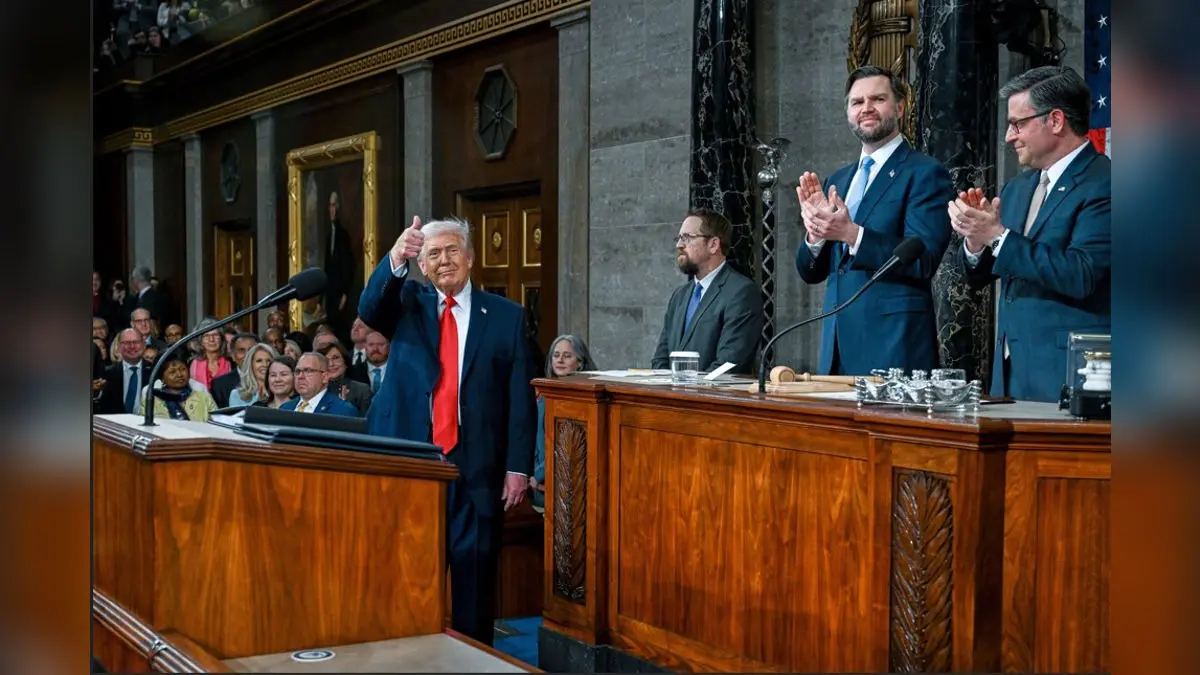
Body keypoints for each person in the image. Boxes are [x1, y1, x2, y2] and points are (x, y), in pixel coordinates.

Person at [358, 215, 536, 646]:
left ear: (471, 258)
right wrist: (396, 257)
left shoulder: (507, 317)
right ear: (422, 265)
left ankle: (474, 661)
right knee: (410, 579)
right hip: (416, 464)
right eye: (433, 254)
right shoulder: (407, 304)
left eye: (452, 250)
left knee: (475, 585)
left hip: (476, 469)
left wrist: (517, 467)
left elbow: (519, 400)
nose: (443, 261)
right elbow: (369, 309)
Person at [950, 66, 1110, 402]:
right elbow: (984, 274)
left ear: (1055, 121)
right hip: (1009, 372)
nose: (1009, 136)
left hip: (1067, 373)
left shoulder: (1106, 182)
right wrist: (976, 242)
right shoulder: (1016, 189)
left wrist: (998, 236)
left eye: (1018, 124)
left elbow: (1082, 273)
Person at [794, 65, 954, 375]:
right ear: (848, 112)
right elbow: (810, 271)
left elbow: (922, 260)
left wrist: (853, 234)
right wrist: (815, 235)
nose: (866, 108)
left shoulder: (924, 173)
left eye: (878, 99)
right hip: (836, 347)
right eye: (857, 102)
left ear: (900, 107)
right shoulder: (837, 179)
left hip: (893, 347)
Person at [651, 209, 763, 374]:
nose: (679, 245)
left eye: (687, 238)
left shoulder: (741, 292)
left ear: (713, 245)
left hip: (712, 397)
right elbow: (661, 359)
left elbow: (729, 364)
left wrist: (687, 391)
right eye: (679, 238)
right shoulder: (679, 295)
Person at [531, 335, 596, 511]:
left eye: (567, 356)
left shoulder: (581, 398)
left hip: (565, 484)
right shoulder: (545, 393)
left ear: (580, 362)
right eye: (556, 355)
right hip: (538, 485)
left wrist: (538, 475)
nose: (560, 360)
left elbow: (564, 445)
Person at [137, 354, 217, 422]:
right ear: (162, 378)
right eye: (172, 372)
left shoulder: (204, 398)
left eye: (183, 369)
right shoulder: (151, 402)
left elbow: (219, 425)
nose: (179, 375)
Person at [279, 352, 360, 416]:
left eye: (308, 371)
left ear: (324, 377)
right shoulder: (285, 409)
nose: (300, 376)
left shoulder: (343, 411)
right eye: (297, 371)